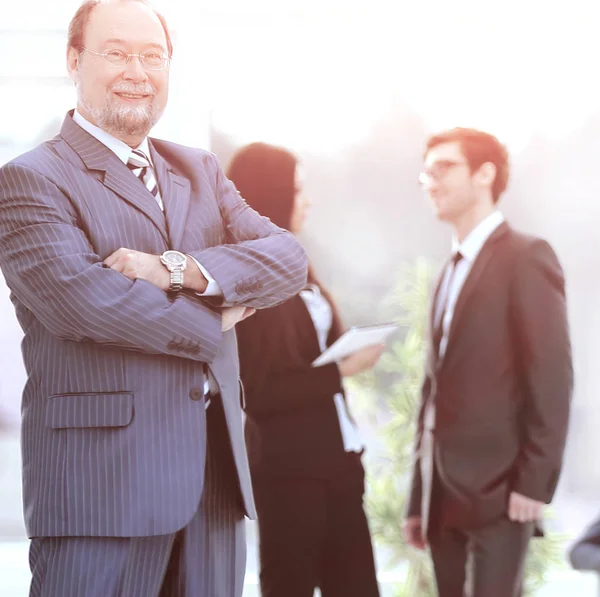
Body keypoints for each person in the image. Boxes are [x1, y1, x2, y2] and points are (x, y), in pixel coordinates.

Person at [0, 2, 307, 596]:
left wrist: (181, 271)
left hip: (212, 488)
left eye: (153, 56)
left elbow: (288, 259)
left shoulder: (199, 171)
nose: (136, 72)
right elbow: (83, 301)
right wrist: (217, 316)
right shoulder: (31, 179)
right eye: (116, 53)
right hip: (101, 496)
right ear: (73, 59)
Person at [402, 128, 573, 597]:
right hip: (442, 502)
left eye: (444, 168)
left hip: (501, 496)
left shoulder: (527, 256)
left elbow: (552, 378)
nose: (431, 182)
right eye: (426, 172)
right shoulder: (444, 273)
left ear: (485, 174)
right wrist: (419, 500)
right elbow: (431, 393)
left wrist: (534, 484)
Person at [230, 142, 382, 597]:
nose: (308, 200)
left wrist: (344, 348)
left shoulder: (295, 262)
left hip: (338, 461)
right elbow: (258, 392)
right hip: (291, 471)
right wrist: (342, 369)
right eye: (298, 189)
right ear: (272, 195)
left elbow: (309, 351)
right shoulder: (248, 274)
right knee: (288, 585)